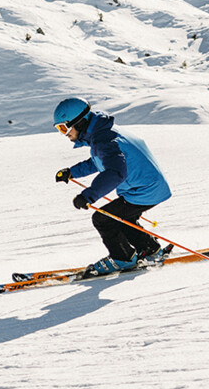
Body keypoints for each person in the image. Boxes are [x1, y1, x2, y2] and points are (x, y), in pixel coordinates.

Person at [51, 98, 173, 276]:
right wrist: (72, 172)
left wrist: (88, 196)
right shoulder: (103, 134)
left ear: (79, 122)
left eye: (64, 128)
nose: (64, 134)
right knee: (122, 218)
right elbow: (100, 161)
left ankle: (122, 258)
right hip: (149, 187)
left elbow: (115, 172)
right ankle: (151, 251)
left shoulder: (104, 140)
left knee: (103, 219)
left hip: (144, 191)